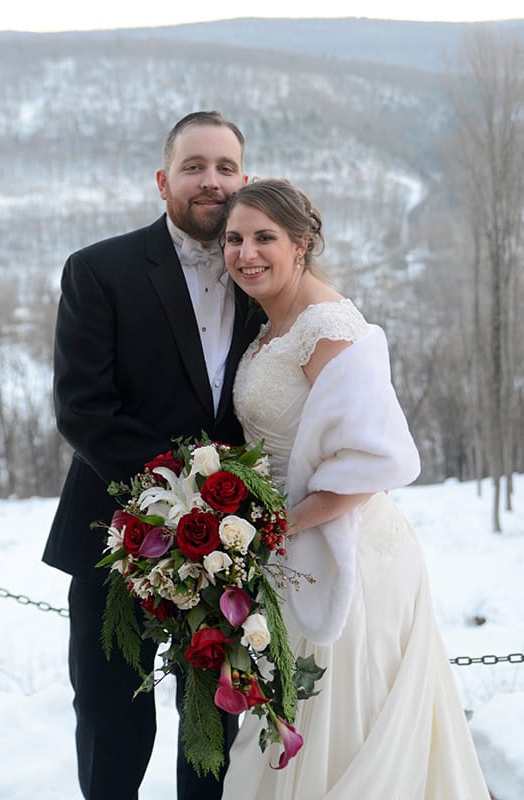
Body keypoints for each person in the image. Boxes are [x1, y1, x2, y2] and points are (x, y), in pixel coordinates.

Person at [220, 179, 490, 799]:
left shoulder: (330, 327)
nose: (246, 252)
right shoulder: (269, 324)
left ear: (302, 243)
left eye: (265, 238)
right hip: (290, 546)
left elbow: (371, 464)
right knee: (289, 720)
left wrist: (273, 529)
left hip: (348, 550)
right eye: (235, 238)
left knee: (340, 721)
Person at [42, 111, 264, 800]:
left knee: (216, 728)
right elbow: (84, 409)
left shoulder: (265, 272)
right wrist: (184, 492)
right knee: (112, 721)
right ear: (164, 180)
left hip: (234, 541)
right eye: (195, 166)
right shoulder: (98, 270)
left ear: (244, 180)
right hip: (115, 534)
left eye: (225, 167)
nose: (211, 181)